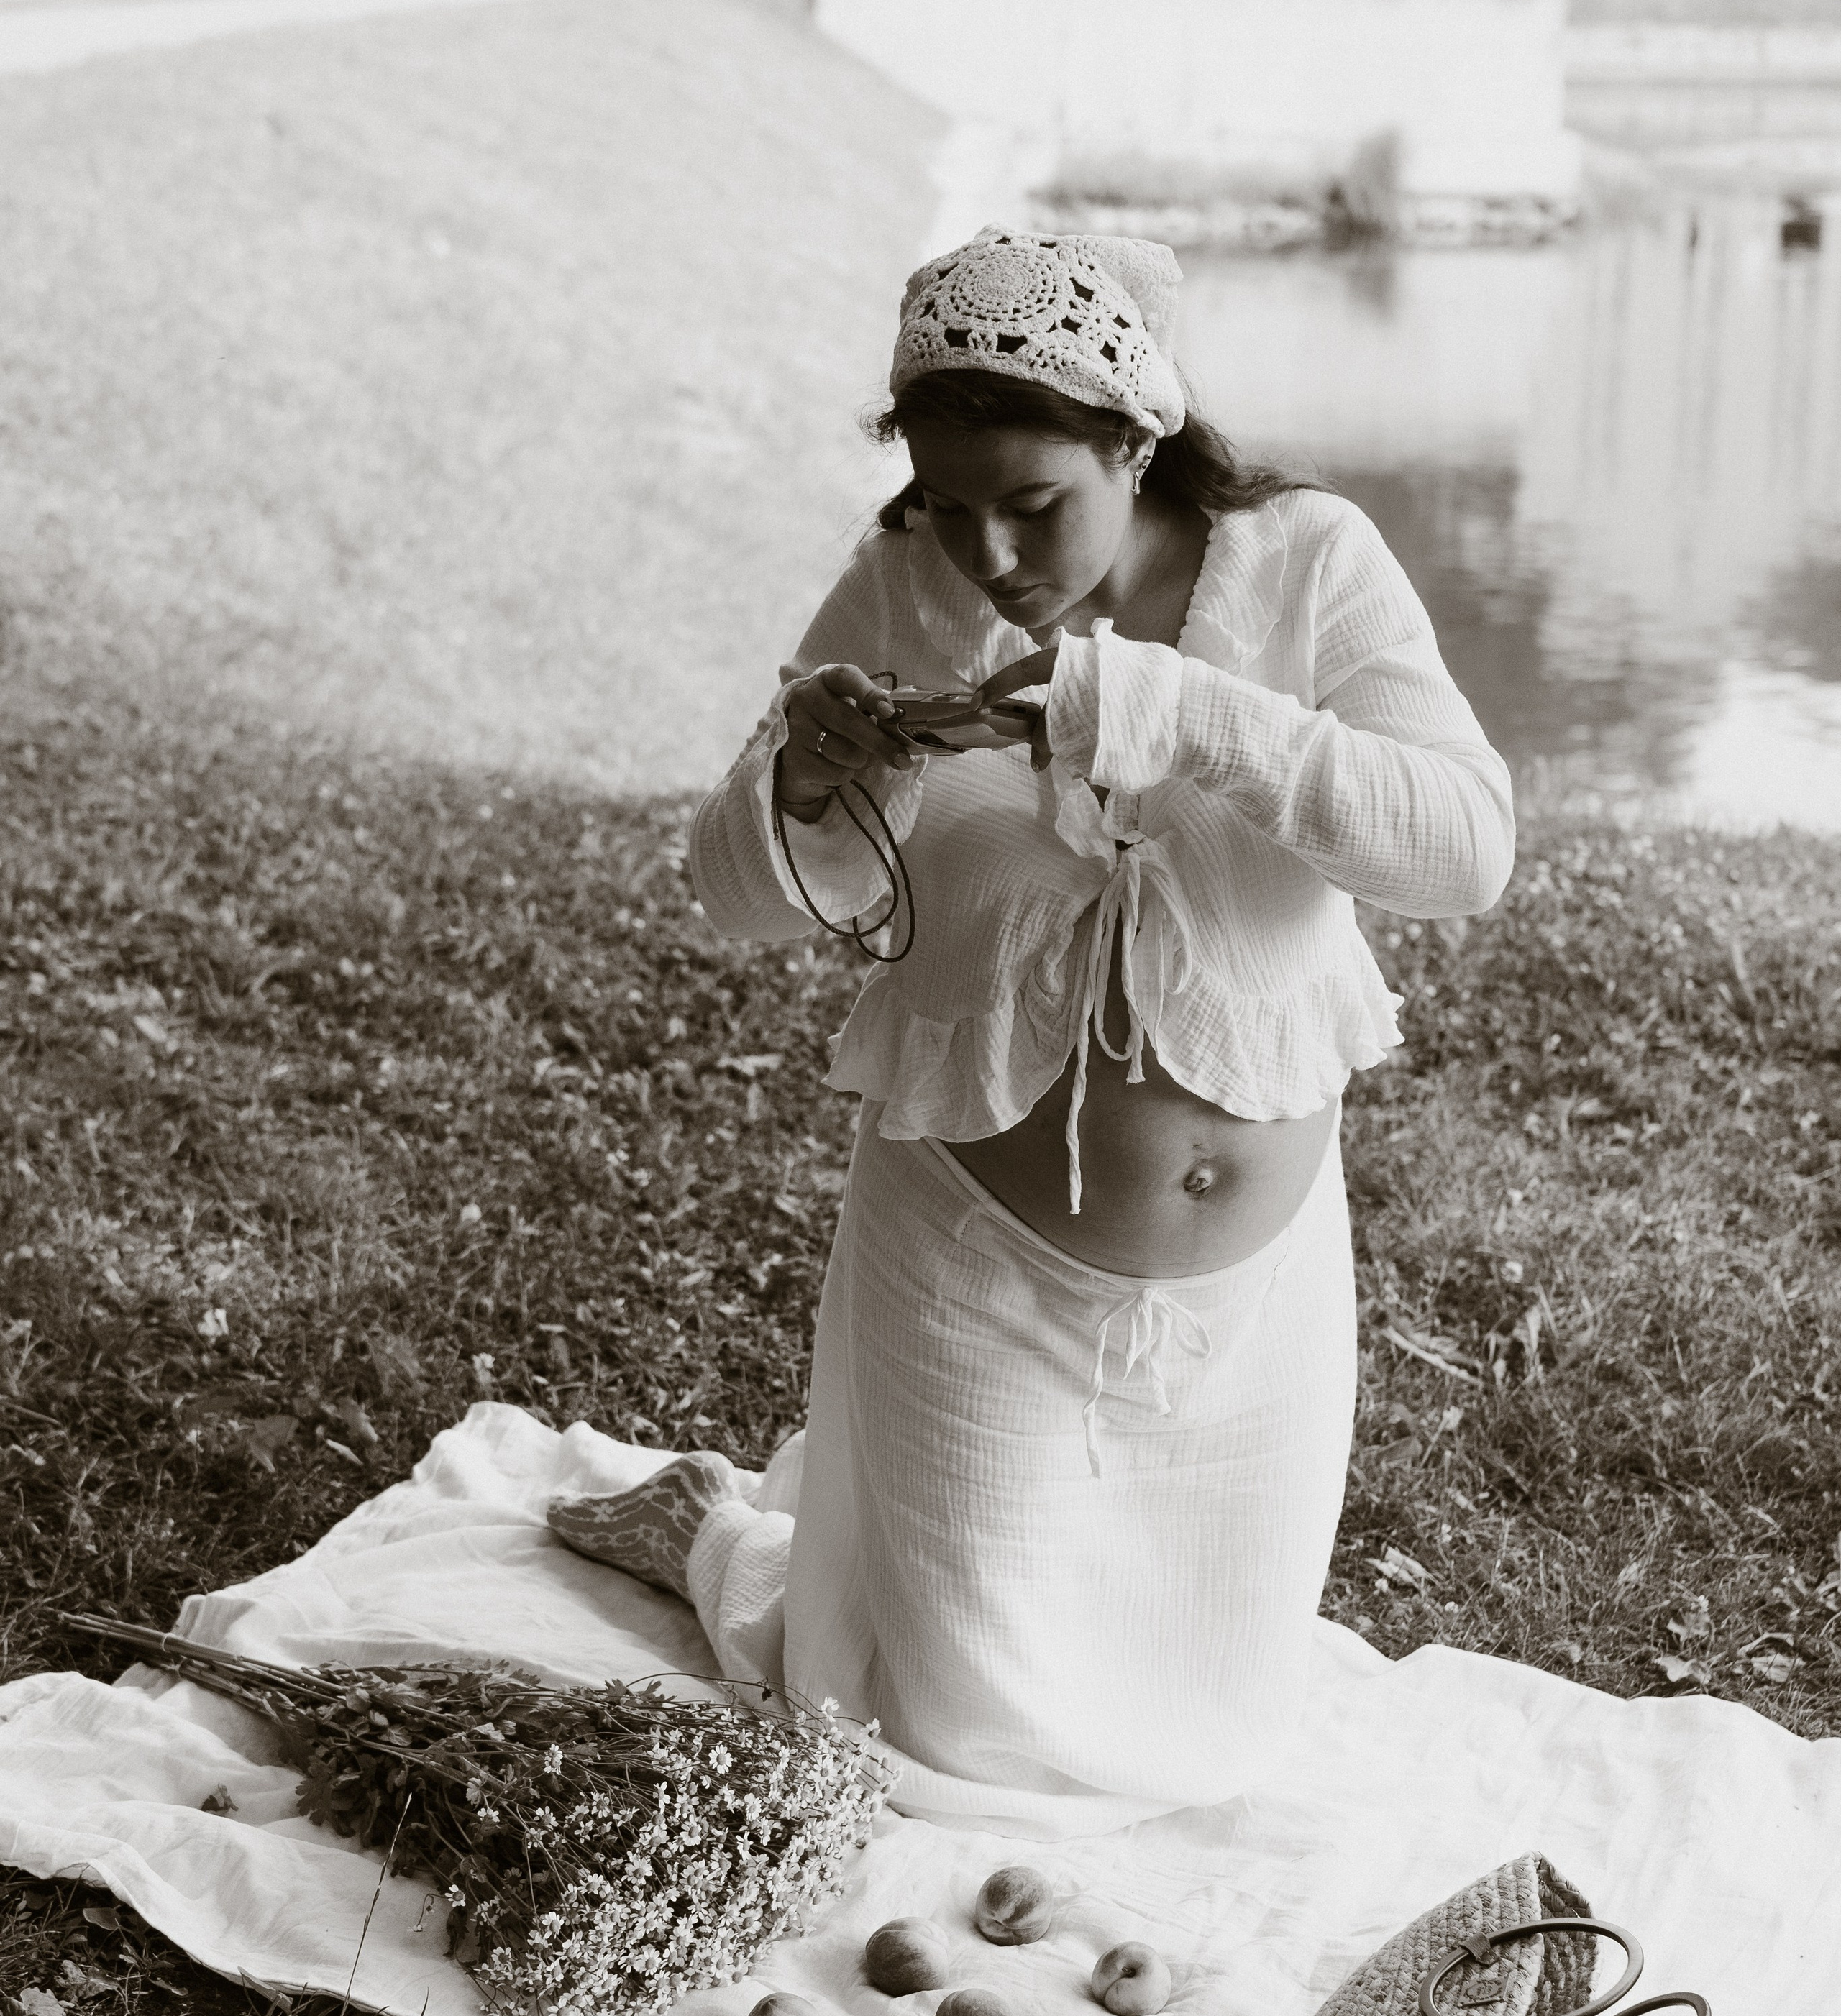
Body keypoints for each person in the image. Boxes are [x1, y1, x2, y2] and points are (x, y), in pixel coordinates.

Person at [552, 227, 1515, 1835]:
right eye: (947, 501)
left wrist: (1173, 708)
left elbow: (1461, 849)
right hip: (971, 1284)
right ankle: (723, 1541)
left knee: (1213, 1751)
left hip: (1251, 1318)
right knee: (941, 1756)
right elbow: (740, 897)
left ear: (1134, 442)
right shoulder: (903, 587)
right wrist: (807, 777)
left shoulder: (1306, 560)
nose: (989, 552)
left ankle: (738, 1528)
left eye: (1034, 503)